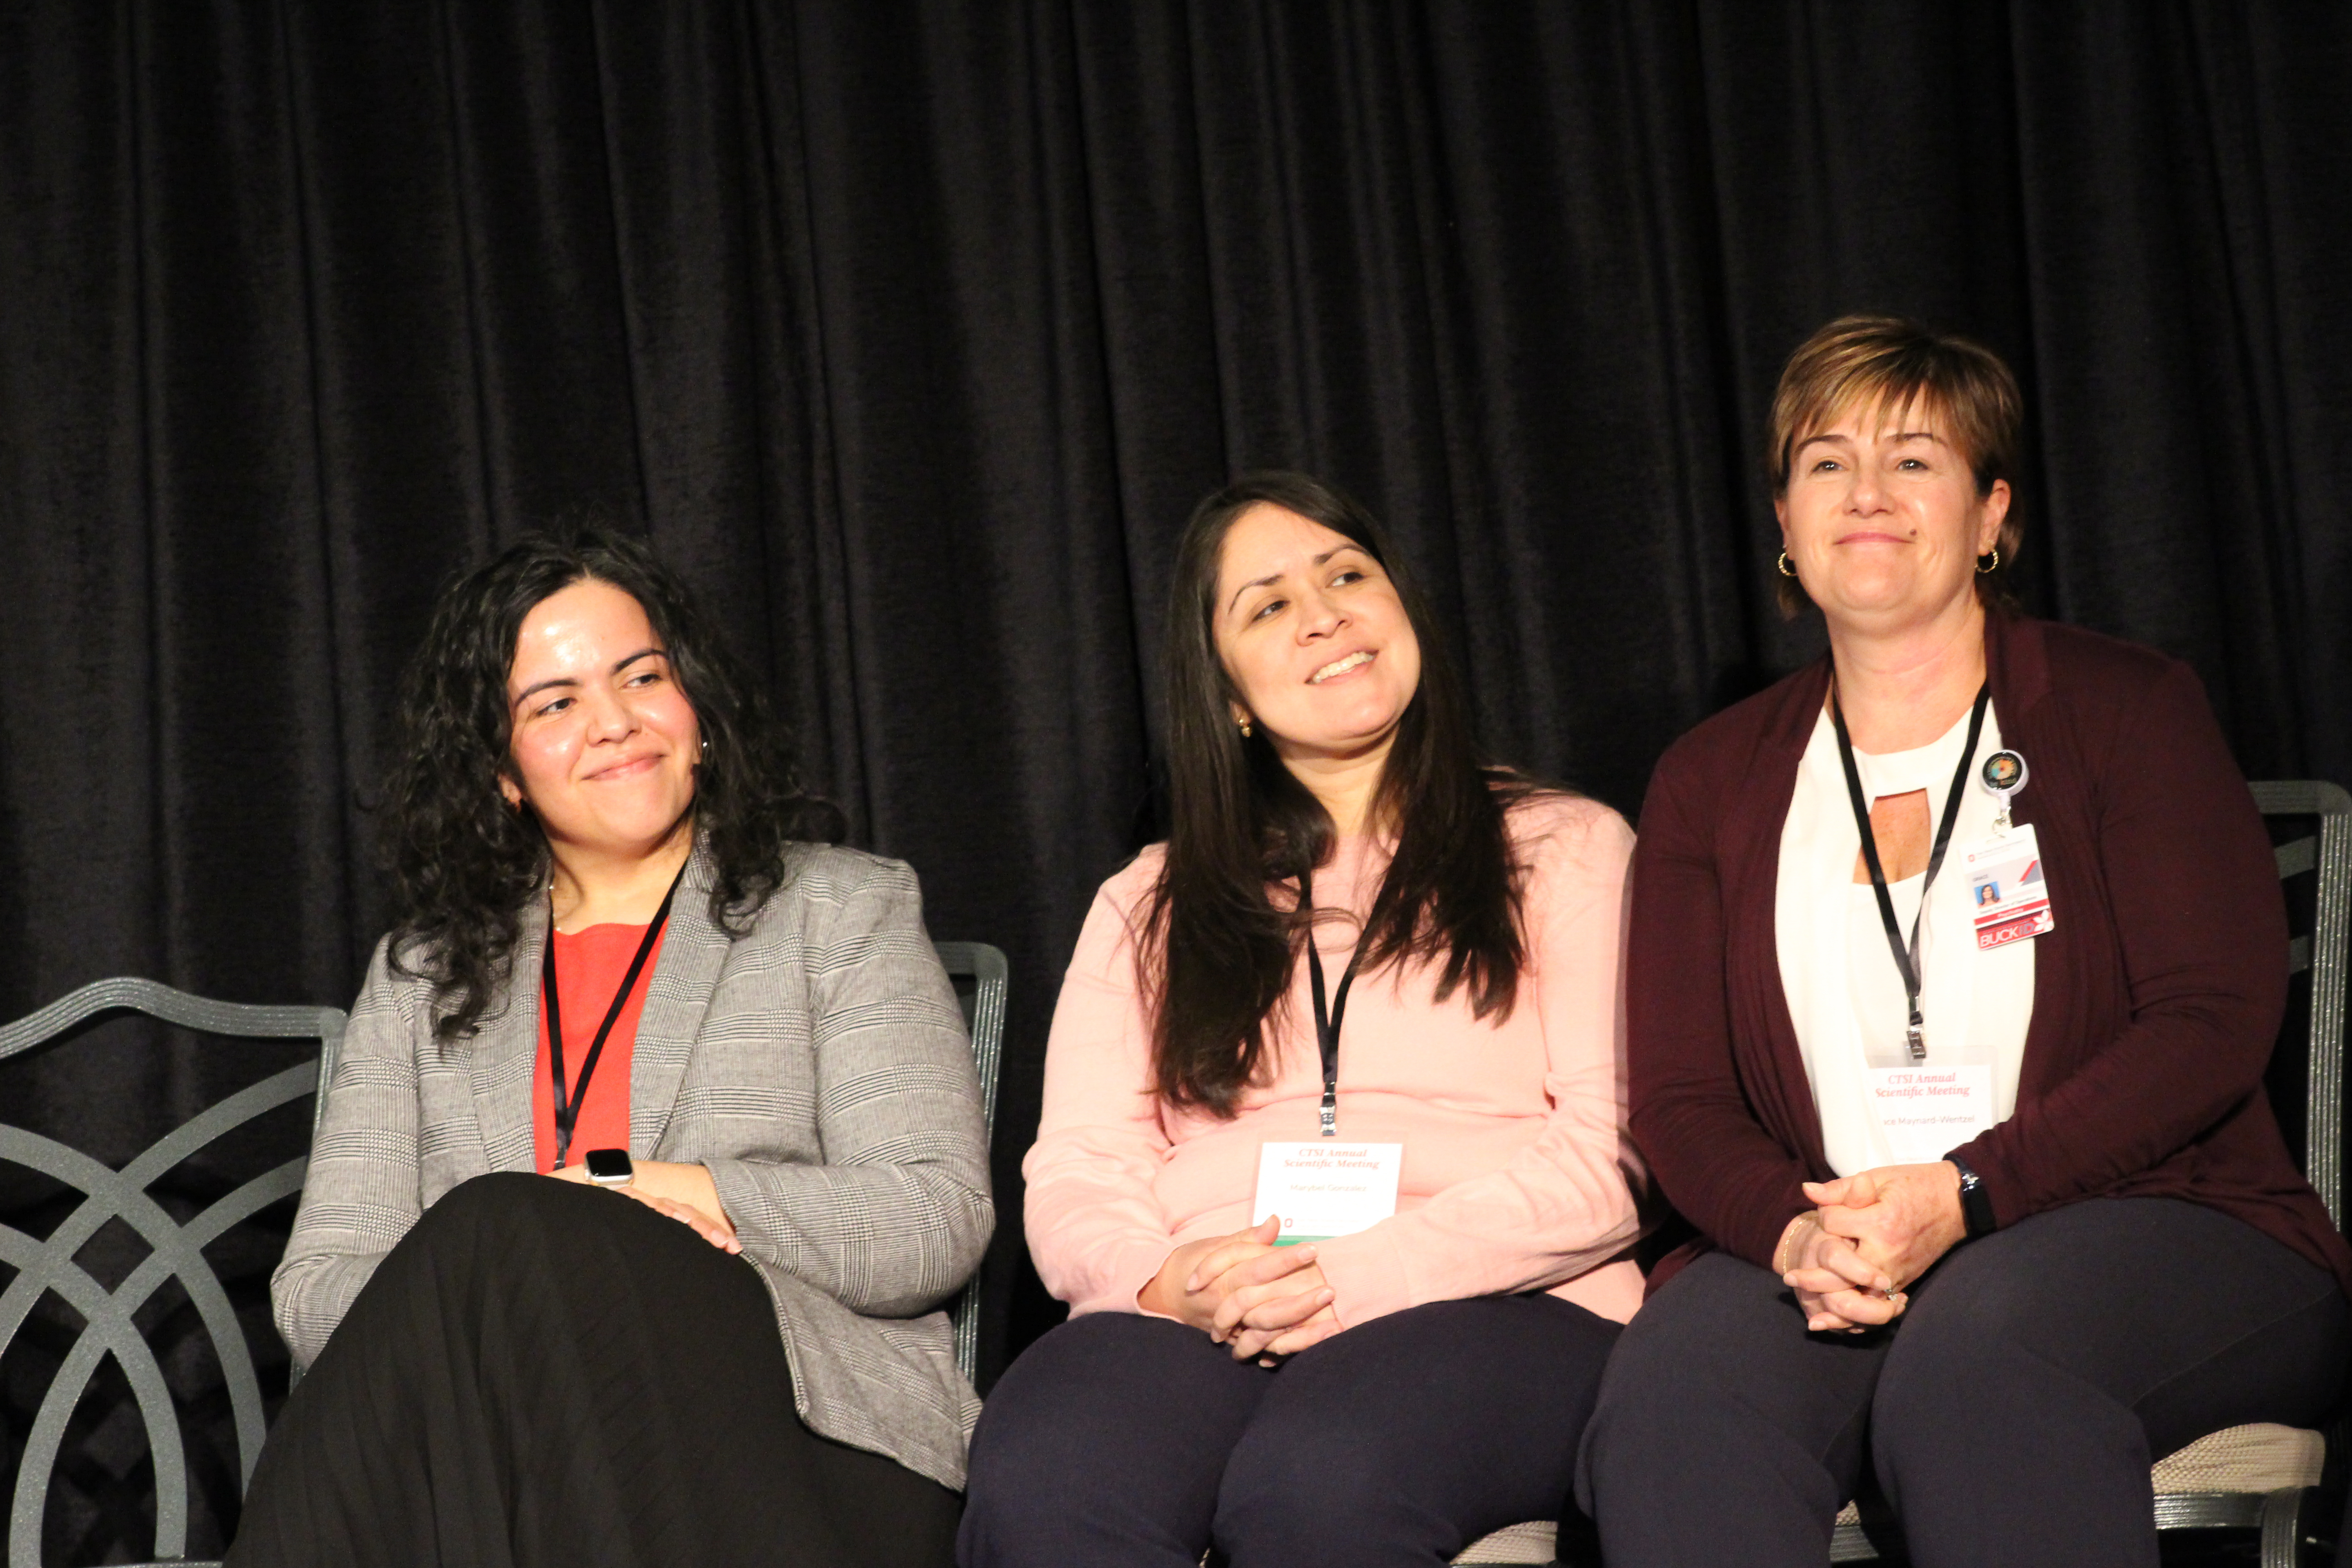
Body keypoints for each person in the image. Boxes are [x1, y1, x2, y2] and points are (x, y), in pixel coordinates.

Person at [1578, 316, 2352, 1567]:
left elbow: (2209, 1021)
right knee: (1677, 1401)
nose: (1867, 493)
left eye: (1916, 460)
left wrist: (1971, 1193)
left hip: (2147, 1218)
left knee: (1982, 1355)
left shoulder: (2124, 708)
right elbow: (1681, 1098)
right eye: (1827, 464)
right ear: (1783, 522)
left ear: (1994, 514)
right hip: (1827, 1237)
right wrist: (1794, 1234)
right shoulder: (1710, 779)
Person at [228, 527, 992, 1568]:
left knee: (517, 1226)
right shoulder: (420, 975)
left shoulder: (838, 909)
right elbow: (315, 1290)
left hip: (801, 1445)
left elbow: (930, 1216)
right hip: (490, 1457)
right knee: (505, 1242)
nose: (617, 723)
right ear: (500, 771)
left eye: (643, 677)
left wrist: (676, 1197)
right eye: (555, 703)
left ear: (700, 716)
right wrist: (497, 1299)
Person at [959, 472, 1648, 1568]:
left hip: (1498, 1299)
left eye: (1345, 575)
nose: (1323, 612)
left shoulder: (1563, 847)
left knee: (1322, 1487)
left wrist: (1357, 1277)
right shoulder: (1150, 900)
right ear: (1227, 693)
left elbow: (1614, 1149)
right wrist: (1156, 1282)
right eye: (1268, 604)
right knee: (1051, 1479)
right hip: (1208, 1307)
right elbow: (1082, 1164)